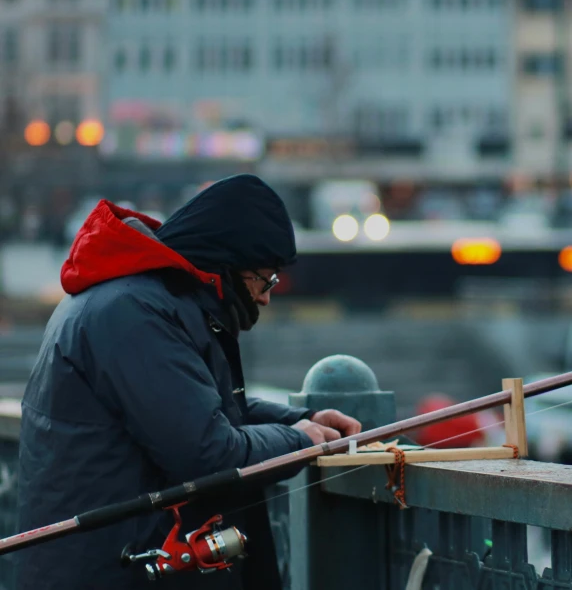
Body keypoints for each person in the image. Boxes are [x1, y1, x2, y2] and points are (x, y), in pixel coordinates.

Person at [15, 174, 361, 590]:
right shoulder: (134, 315)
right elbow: (208, 451)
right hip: (115, 572)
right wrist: (301, 440)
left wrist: (301, 419)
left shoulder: (140, 302)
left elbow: (199, 409)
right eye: (263, 279)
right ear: (226, 263)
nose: (267, 296)